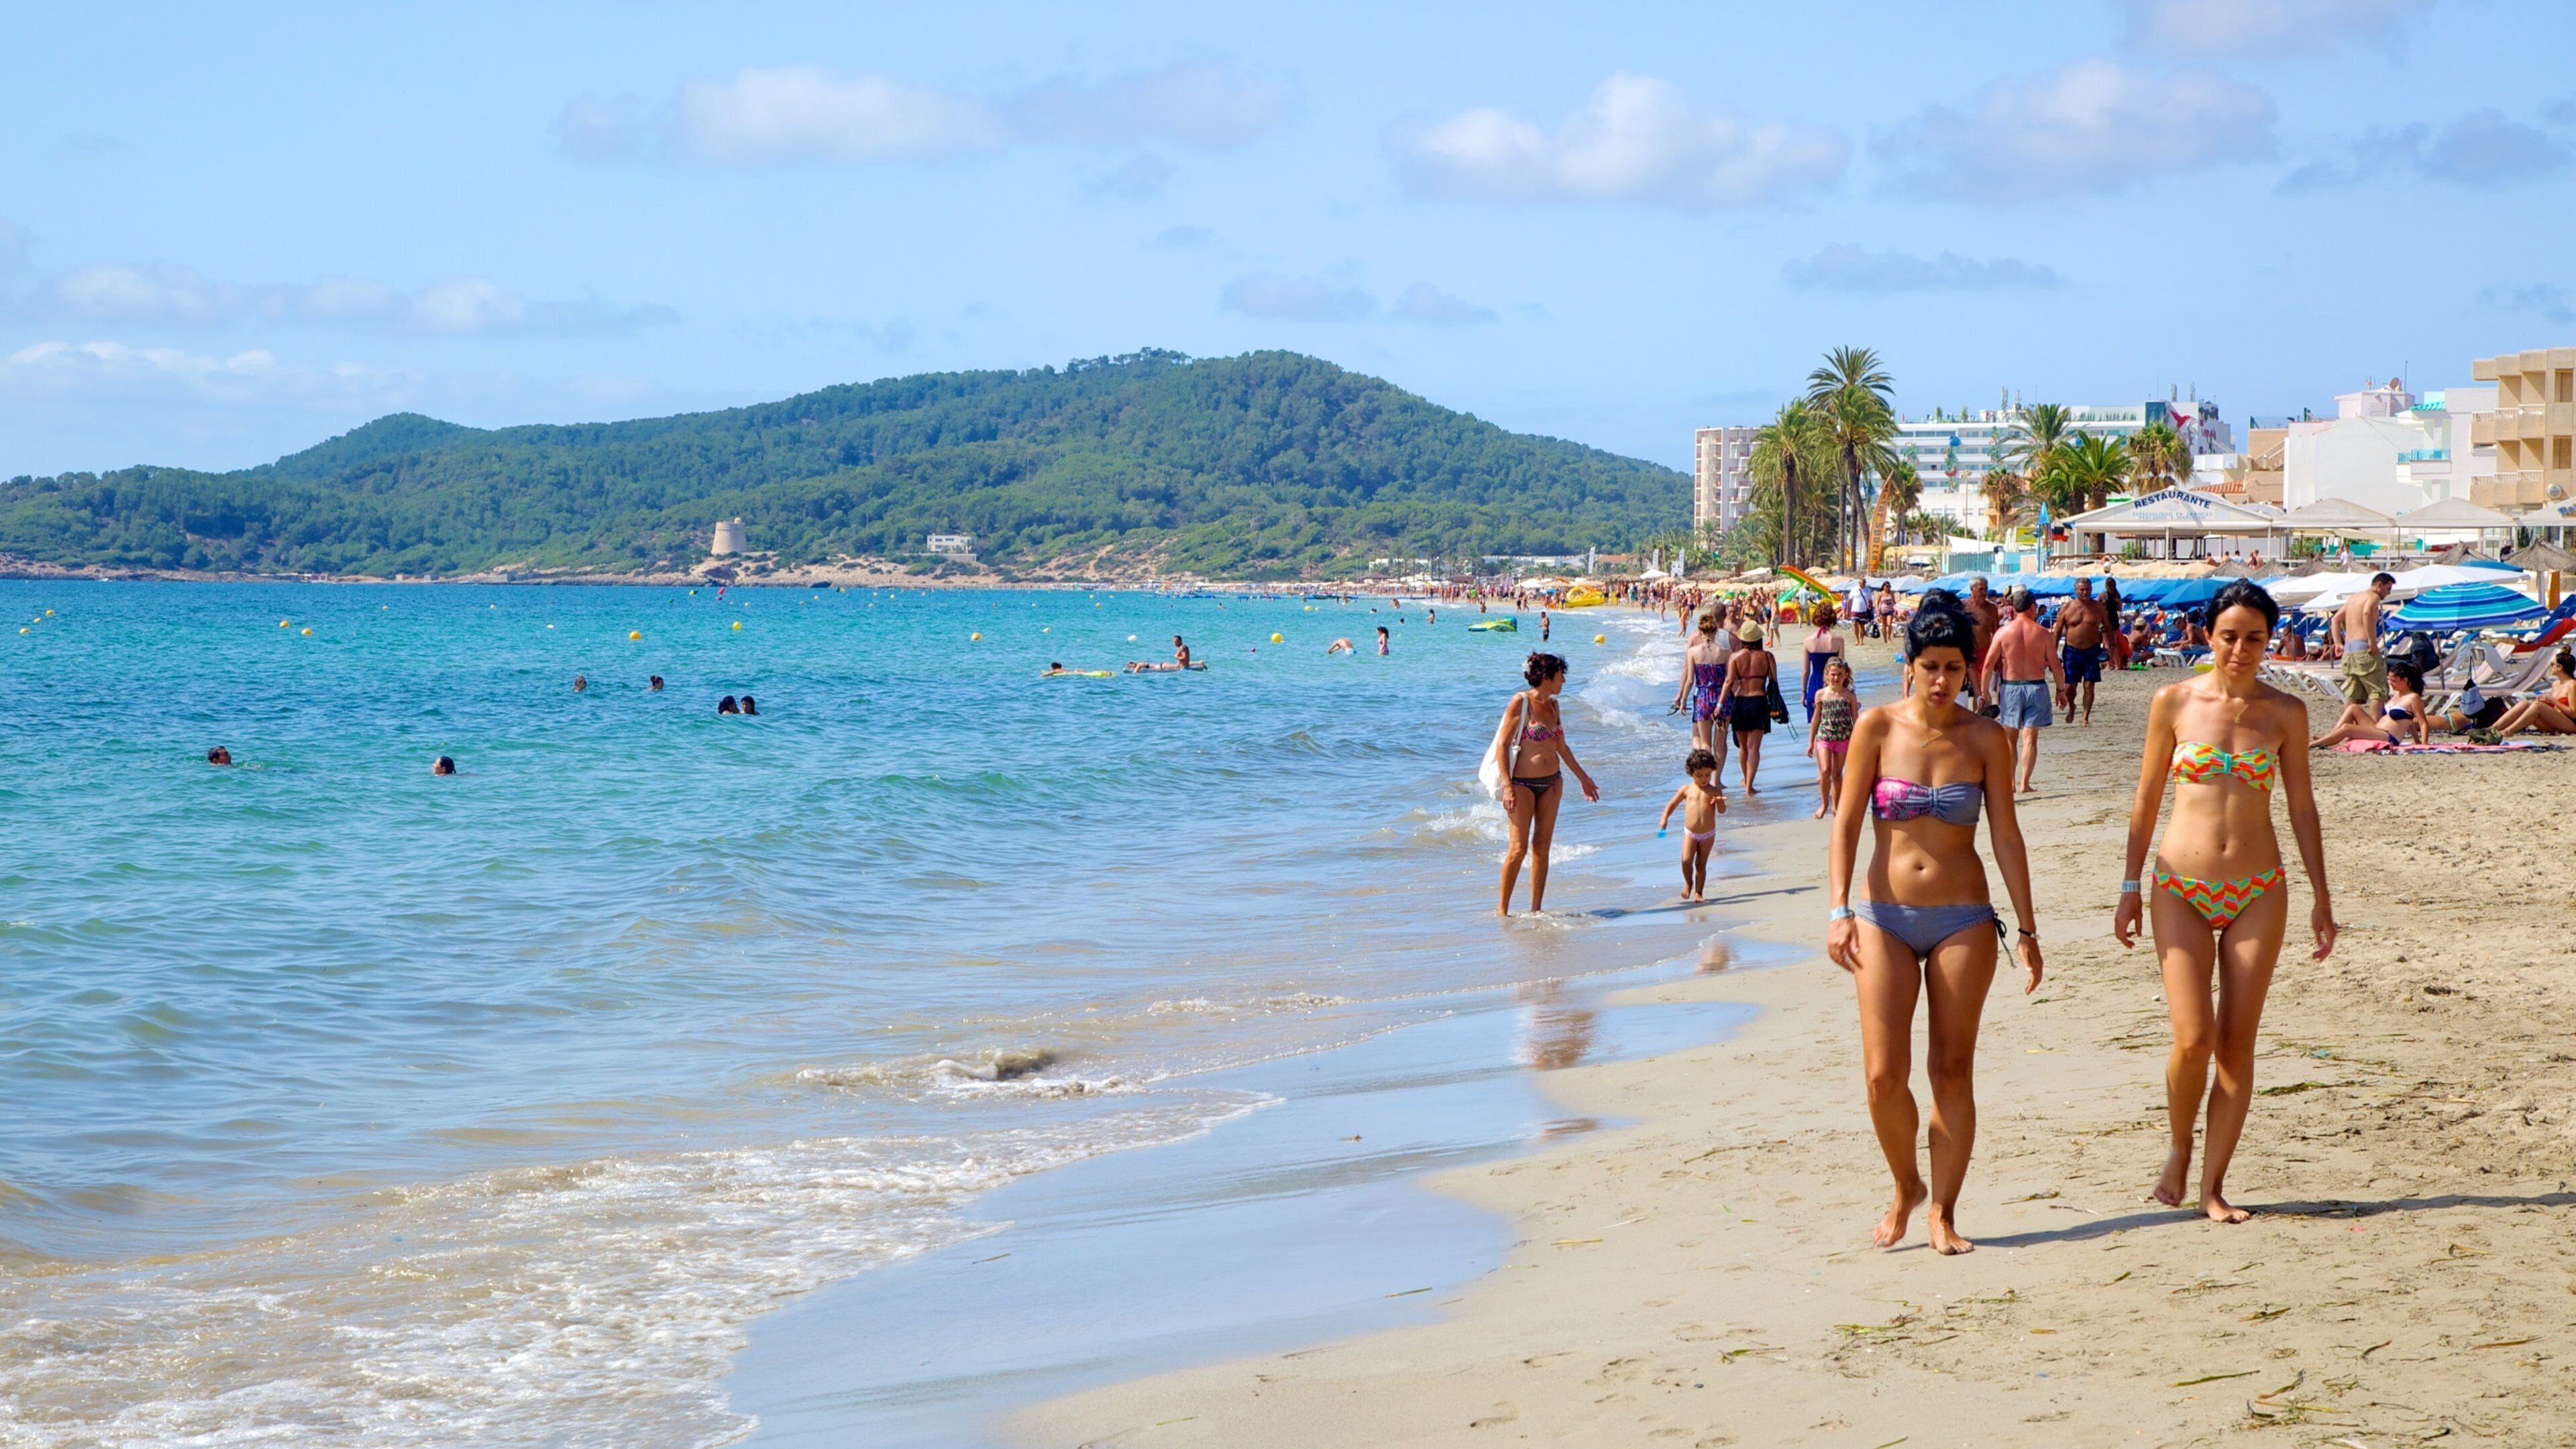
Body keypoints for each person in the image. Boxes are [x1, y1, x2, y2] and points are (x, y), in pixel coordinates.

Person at [2114, 580, 2337, 1224]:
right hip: (2178, 886)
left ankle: (2213, 1186)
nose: (2241, 649)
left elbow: (2301, 807)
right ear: (2208, 636)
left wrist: (2322, 896)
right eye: (2230, 636)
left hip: (2259, 889)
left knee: (2237, 1044)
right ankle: (2180, 1148)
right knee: (2193, 1038)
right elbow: (2146, 798)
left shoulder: (2286, 712)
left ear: (2271, 641)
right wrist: (2129, 888)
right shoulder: (2174, 702)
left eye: (2255, 638)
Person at [1825, 602, 2043, 1254]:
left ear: (1970, 668)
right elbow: (1844, 824)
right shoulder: (1877, 726)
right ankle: (1905, 1185)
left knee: (1951, 1068)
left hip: (1964, 921)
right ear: (1910, 667)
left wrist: (2028, 930)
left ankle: (1943, 1210)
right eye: (1931, 668)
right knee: (1882, 1075)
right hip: (1882, 917)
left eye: (1954, 668)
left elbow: (2006, 834)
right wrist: (1838, 909)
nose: (1943, 680)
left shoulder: (1985, 739)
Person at [1492, 652, 1601, 915]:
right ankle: (1502, 910)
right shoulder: (1521, 703)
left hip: (1552, 783)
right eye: (1560, 676)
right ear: (1546, 677)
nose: (1563, 680)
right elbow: (1502, 746)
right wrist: (1507, 785)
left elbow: (1561, 746)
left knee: (1542, 847)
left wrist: (1583, 778)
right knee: (1518, 849)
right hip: (1521, 785)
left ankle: (1536, 911)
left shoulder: (1554, 706)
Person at [1982, 589, 2063, 794]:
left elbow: (1989, 664)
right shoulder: (2043, 633)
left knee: (2011, 739)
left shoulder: (2003, 632)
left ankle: (2010, 782)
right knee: (2030, 739)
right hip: (2036, 687)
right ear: (2033, 607)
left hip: (2011, 688)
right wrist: (2061, 690)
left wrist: (1985, 691)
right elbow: (2056, 665)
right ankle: (2025, 784)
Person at [1656, 747, 1727, 902]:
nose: (1704, 779)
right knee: (1686, 860)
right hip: (1691, 833)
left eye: (1708, 775)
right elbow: (1671, 805)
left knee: (1701, 865)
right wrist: (1664, 819)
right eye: (1699, 776)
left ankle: (1699, 893)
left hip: (1708, 834)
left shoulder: (1715, 791)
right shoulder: (1686, 790)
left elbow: (1721, 811)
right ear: (1691, 773)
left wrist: (1719, 803)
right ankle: (1688, 883)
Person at [1671, 610, 1732, 784]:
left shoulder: (1693, 652)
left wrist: (1683, 700)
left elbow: (1691, 680)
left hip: (1703, 698)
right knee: (1720, 742)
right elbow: (1729, 680)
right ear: (1715, 632)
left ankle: (1703, 778)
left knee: (1705, 743)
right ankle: (1717, 780)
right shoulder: (1725, 653)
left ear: (1700, 632)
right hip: (1722, 699)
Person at [2308, 663, 2426, 748]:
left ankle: (2312, 745)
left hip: (2389, 737)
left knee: (2347, 728)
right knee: (2353, 708)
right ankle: (2330, 736)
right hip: (2377, 729)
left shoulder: (2413, 698)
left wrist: (2424, 744)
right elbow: (2409, 721)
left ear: (2405, 680)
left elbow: (2422, 722)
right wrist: (2416, 740)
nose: (2391, 684)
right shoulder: (2396, 694)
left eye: (2394, 681)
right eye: (2389, 680)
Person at [1722, 621, 1776, 796]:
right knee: (1754, 748)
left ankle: (1746, 779)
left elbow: (1729, 682)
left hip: (1739, 703)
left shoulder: (1735, 657)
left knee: (1743, 747)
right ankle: (1749, 786)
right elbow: (1774, 682)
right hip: (1759, 702)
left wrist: (1719, 703)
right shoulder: (1768, 657)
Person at [2328, 573, 2397, 706]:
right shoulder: (2373, 596)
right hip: (2365, 648)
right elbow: (2367, 612)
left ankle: (2348, 722)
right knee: (2378, 691)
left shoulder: (2354, 598)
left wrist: (2338, 644)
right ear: (2379, 585)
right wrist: (2372, 641)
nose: (2388, 593)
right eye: (2388, 589)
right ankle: (2378, 725)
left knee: (2353, 694)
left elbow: (2335, 619)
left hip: (2349, 651)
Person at [2053, 578, 2110, 724]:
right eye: (2082, 589)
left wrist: (2111, 646)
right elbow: (2057, 631)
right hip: (2072, 651)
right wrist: (2052, 653)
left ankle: (2085, 717)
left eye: (2088, 589)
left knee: (2089, 685)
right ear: (2076, 590)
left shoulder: (2098, 608)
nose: (2085, 592)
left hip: (2092, 650)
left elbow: (2108, 627)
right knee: (2070, 686)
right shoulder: (2067, 608)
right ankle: (2072, 706)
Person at [1808, 656, 1858, 820]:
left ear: (1845, 676)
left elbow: (1855, 719)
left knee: (1837, 774)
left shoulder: (1849, 696)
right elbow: (1816, 719)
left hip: (1844, 737)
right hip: (1824, 736)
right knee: (1824, 770)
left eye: (1840, 675)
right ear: (1827, 675)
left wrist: (1859, 741)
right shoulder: (1821, 694)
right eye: (1833, 674)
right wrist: (1810, 742)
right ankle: (1824, 805)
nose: (1836, 678)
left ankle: (1837, 806)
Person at [2491, 651, 2576, 737]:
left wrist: (2553, 701)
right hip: (2554, 722)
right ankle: (2492, 729)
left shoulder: (2573, 685)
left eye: (2552, 664)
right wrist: (2546, 702)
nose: (2550, 667)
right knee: (2524, 704)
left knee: (2537, 705)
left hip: (2571, 725)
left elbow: (2573, 714)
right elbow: (2555, 707)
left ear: (2560, 667)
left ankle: (2509, 731)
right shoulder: (2556, 684)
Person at [1801, 601, 1848, 721]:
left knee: (1815, 727)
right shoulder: (1838, 640)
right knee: (1833, 726)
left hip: (1814, 685)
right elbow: (1842, 668)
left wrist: (1804, 692)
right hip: (1833, 684)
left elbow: (1806, 671)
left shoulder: (1808, 641)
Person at [1963, 577, 2001, 711]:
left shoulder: (1991, 608)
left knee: (1981, 689)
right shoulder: (1963, 606)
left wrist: (1998, 659)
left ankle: (1978, 716)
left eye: (1986, 588)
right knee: (1962, 688)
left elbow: (1996, 634)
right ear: (1972, 590)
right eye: (1981, 589)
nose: (1985, 592)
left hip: (1984, 652)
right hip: (1965, 653)